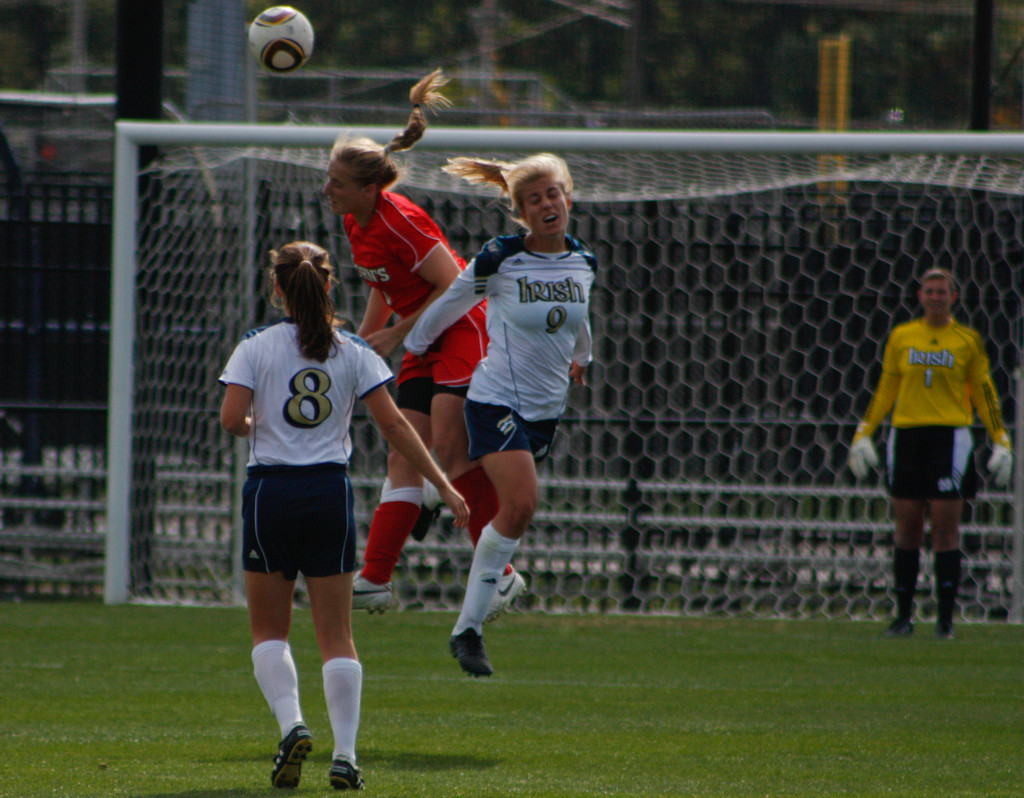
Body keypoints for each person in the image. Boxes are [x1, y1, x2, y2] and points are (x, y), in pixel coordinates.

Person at [219, 241, 469, 790]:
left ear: (277, 289)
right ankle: (347, 757)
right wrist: (444, 484)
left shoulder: (254, 347)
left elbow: (231, 418)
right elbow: (398, 427)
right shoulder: (354, 350)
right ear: (331, 286)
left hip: (270, 493)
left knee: (269, 631)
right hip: (328, 493)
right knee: (337, 636)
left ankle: (292, 726)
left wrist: (256, 423)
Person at [322, 68, 525, 619]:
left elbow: (454, 287)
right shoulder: (353, 220)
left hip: (462, 324)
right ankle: (375, 580)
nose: (327, 188)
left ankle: (501, 575)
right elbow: (383, 288)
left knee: (451, 451)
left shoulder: (401, 220)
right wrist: (366, 339)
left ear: (368, 189)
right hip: (422, 332)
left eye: (336, 181)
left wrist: (394, 333)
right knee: (403, 453)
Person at [405, 153, 597, 676]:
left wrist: (583, 357)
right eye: (533, 199)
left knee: (479, 485)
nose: (546, 204)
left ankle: (429, 497)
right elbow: (454, 298)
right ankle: (467, 630)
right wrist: (417, 342)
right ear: (521, 213)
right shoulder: (502, 258)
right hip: (495, 398)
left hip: (544, 410)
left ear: (568, 198)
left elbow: (576, 316)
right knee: (521, 502)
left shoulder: (584, 261)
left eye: (552, 194)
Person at [847, 267, 1013, 640]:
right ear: (920, 296)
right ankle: (903, 617)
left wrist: (1001, 438)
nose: (935, 297)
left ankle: (945, 621)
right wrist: (864, 433)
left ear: (953, 297)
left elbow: (983, 391)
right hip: (906, 436)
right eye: (929, 291)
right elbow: (887, 387)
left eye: (942, 291)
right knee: (906, 527)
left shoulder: (966, 340)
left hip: (950, 440)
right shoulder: (903, 336)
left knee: (944, 527)